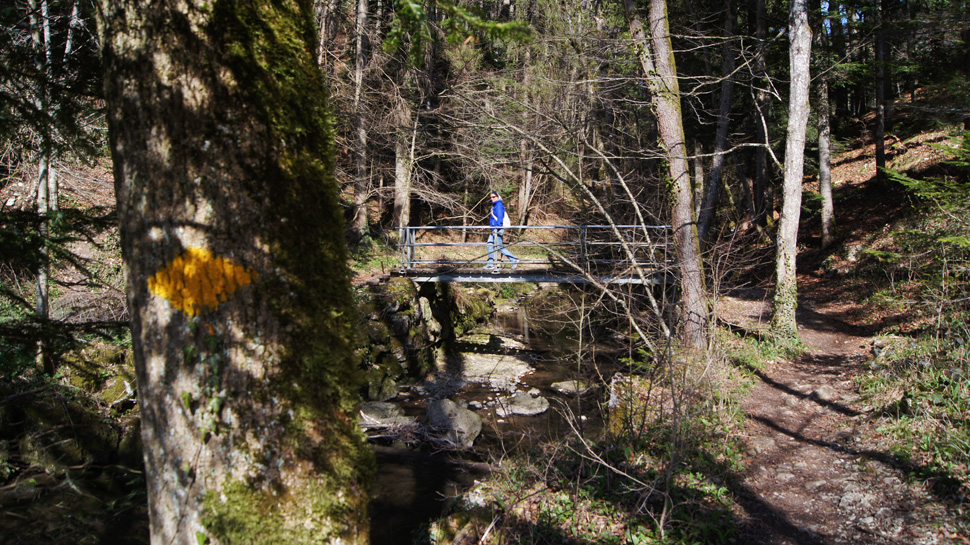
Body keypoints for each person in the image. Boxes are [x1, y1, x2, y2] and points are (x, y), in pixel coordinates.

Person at [485, 191, 518, 269]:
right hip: (494, 229)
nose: (492, 198)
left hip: (497, 229)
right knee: (489, 244)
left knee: (499, 247)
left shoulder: (499, 205)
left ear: (497, 197)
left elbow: (500, 218)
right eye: (491, 197)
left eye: (494, 197)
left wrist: (497, 228)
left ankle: (513, 259)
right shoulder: (495, 205)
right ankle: (490, 263)